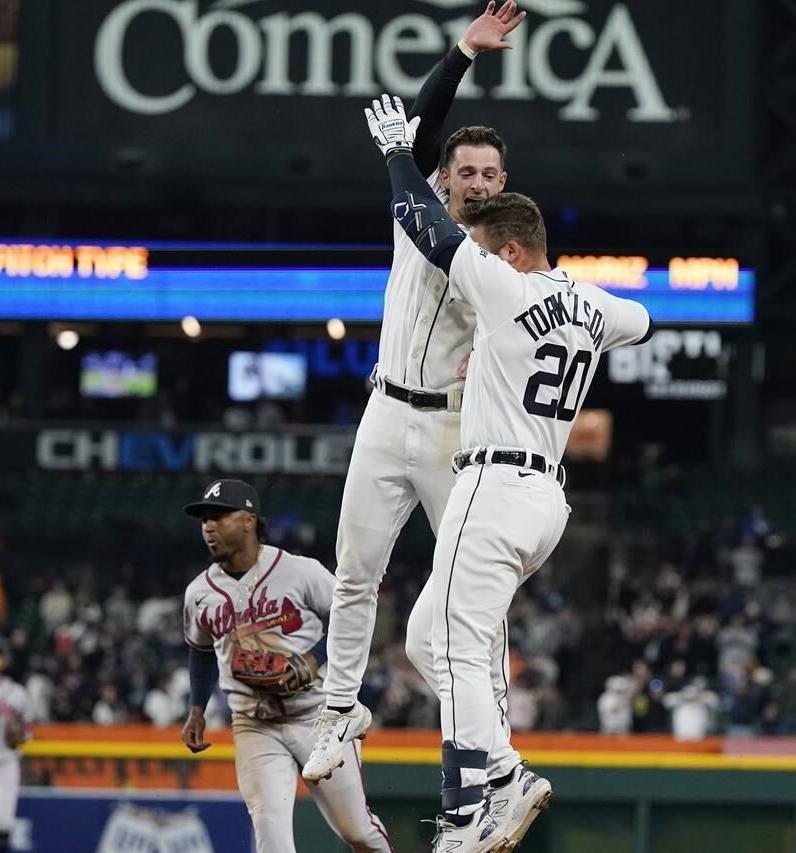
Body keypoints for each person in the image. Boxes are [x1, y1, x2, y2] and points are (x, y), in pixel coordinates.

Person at [363, 96, 654, 851]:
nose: (478, 255)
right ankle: (500, 768)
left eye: (488, 247)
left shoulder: (503, 282)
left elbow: (425, 227)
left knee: (459, 642)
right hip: (546, 500)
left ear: (514, 251)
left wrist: (398, 152)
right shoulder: (589, 303)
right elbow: (641, 321)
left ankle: (468, 808)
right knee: (428, 638)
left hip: (492, 485)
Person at [304, 8, 546, 842]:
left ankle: (492, 772)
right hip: (385, 410)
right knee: (353, 572)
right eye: (467, 170)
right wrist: (461, 55)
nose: (478, 182)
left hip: (452, 434)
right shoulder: (417, 217)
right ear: (444, 176)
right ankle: (339, 712)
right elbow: (418, 129)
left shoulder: (501, 257)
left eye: (490, 173)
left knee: (471, 613)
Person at [180, 480, 392, 853]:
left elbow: (354, 617)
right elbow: (199, 650)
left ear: (248, 520)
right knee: (271, 834)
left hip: (317, 717)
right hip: (253, 724)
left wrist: (315, 658)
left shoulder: (299, 571)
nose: (209, 527)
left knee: (357, 832)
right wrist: (197, 709)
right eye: (204, 520)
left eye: (219, 517)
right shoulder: (199, 593)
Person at [0, 638, 28, 853]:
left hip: (7, 762)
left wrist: (20, 734)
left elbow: (25, 732)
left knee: (4, 824)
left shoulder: (17, 693)